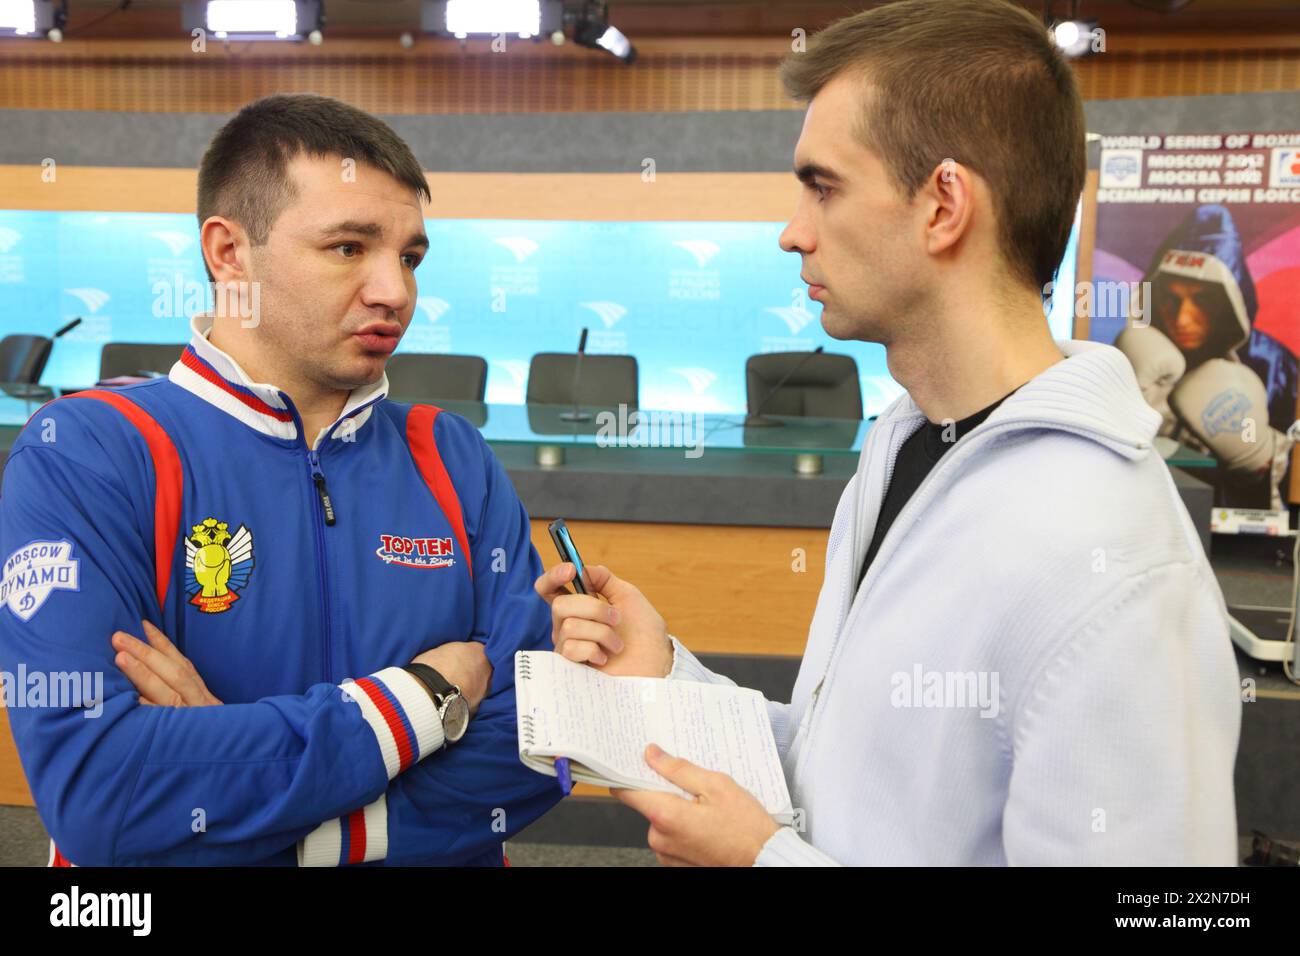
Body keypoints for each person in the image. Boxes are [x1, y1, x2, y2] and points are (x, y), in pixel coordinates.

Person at [535, 0, 1242, 866]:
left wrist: (765, 862)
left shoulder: (1119, 564)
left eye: (823, 185)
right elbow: (852, 767)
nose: (793, 232)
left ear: (944, 204)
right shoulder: (904, 443)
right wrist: (667, 675)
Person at [0, 93, 561, 866]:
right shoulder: (87, 454)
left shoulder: (453, 456)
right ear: (230, 255)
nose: (395, 291)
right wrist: (426, 697)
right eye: (348, 247)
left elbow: (542, 743)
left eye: (409, 257)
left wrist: (234, 791)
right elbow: (103, 794)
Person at [1115, 204, 1297, 510]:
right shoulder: (1129, 357)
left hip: (1236, 549)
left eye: (1202, 300)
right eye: (1171, 299)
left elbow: (1290, 490)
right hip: (1135, 521)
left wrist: (1258, 459)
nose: (1183, 319)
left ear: (1230, 302)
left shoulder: (1275, 365)